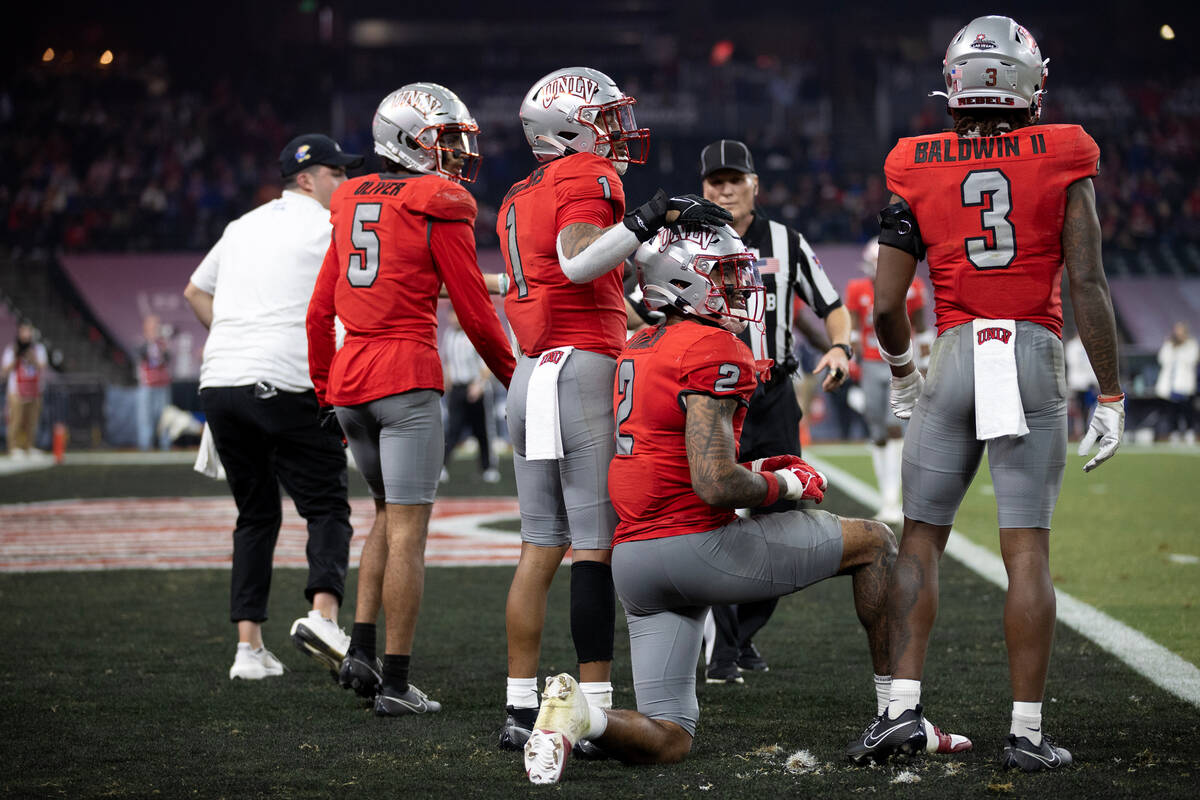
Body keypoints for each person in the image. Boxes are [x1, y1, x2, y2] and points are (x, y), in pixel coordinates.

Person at [522, 226, 969, 785]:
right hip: (696, 547)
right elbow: (713, 482)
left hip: (635, 561)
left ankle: (579, 719)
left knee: (670, 738)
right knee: (876, 542)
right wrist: (787, 486)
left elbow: (678, 455)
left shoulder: (638, 345)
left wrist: (759, 470)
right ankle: (897, 714)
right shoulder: (712, 346)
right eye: (726, 276)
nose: (741, 288)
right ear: (685, 282)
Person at [844, 16, 1124, 772]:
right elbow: (1088, 282)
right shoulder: (1067, 150)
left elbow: (892, 303)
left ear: (957, 84)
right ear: (1030, 84)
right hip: (1031, 349)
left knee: (922, 539)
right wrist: (1114, 394)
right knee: (1026, 550)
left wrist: (903, 371)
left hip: (957, 353)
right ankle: (1026, 733)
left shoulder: (913, 161)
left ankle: (900, 713)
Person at [496, 66, 732, 755]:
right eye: (605, 117)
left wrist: (641, 251)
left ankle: (517, 704)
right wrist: (648, 216)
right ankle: (591, 710)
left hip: (529, 372)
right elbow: (575, 264)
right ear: (571, 126)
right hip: (581, 370)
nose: (617, 131)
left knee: (539, 545)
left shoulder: (519, 192)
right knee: (594, 549)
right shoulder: (587, 176)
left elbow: (583, 271)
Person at [307, 84, 516, 715]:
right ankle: (396, 684)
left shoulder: (349, 198)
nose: (455, 153)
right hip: (405, 376)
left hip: (349, 380)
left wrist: (324, 389)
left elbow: (320, 311)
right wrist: (514, 376)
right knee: (409, 534)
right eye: (444, 139)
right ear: (408, 140)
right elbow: (477, 314)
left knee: (383, 517)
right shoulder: (440, 200)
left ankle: (361, 651)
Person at [184, 133, 362, 682]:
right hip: (288, 378)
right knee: (327, 506)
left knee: (256, 514)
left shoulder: (241, 226)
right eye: (337, 173)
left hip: (221, 382)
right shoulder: (328, 224)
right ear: (308, 178)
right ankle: (324, 616)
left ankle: (248, 649)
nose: (346, 183)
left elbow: (194, 292)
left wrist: (238, 340)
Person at [698, 139, 854, 682]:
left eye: (734, 179)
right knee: (711, 515)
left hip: (773, 395)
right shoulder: (684, 242)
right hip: (711, 396)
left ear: (754, 185)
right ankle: (724, 651)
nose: (724, 188)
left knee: (784, 522)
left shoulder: (787, 242)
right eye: (715, 180)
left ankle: (741, 635)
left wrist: (840, 347)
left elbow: (832, 307)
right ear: (703, 188)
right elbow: (635, 302)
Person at [844, 237, 932, 523]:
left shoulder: (913, 288)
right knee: (878, 432)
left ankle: (894, 498)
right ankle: (887, 494)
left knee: (897, 428)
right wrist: (852, 364)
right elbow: (855, 332)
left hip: (902, 364)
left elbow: (921, 329)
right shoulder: (857, 290)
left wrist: (927, 365)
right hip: (870, 364)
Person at [441, 308, 501, 484]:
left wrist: (479, 385)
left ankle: (488, 467)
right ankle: (442, 466)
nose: (452, 318)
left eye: (455, 314)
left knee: (483, 431)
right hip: (458, 389)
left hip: (476, 388)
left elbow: (487, 363)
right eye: (450, 314)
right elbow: (448, 362)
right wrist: (448, 381)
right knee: (452, 429)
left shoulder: (474, 334)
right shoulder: (449, 335)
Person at [2, 321, 48, 458]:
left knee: (32, 420)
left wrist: (32, 358)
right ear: (19, 333)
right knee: (16, 419)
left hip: (34, 390)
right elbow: (4, 370)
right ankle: (14, 447)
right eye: (24, 331)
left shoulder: (38, 349)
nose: (26, 334)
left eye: (29, 331)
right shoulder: (12, 349)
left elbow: (42, 367)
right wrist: (17, 357)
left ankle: (29, 446)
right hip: (16, 390)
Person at [1154, 321, 1198, 442]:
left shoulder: (1191, 344)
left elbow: (1191, 360)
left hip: (1183, 385)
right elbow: (1162, 359)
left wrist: (1181, 346)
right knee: (1171, 412)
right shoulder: (1169, 345)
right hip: (1169, 385)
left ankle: (1189, 432)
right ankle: (1173, 432)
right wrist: (1170, 345)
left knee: (1187, 411)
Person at [135, 314, 173, 451]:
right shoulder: (142, 343)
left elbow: (168, 358)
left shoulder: (163, 344)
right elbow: (140, 355)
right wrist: (151, 342)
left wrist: (160, 344)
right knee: (146, 419)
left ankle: (165, 446)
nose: (155, 329)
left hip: (162, 385)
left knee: (164, 419)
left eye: (156, 326)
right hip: (147, 386)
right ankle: (145, 447)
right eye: (152, 326)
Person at [1063, 331, 1098, 439]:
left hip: (1089, 383)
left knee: (1088, 408)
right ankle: (1076, 432)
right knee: (1077, 409)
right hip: (1077, 382)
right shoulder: (1073, 346)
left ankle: (1087, 431)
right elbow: (1073, 362)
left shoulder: (1090, 344)